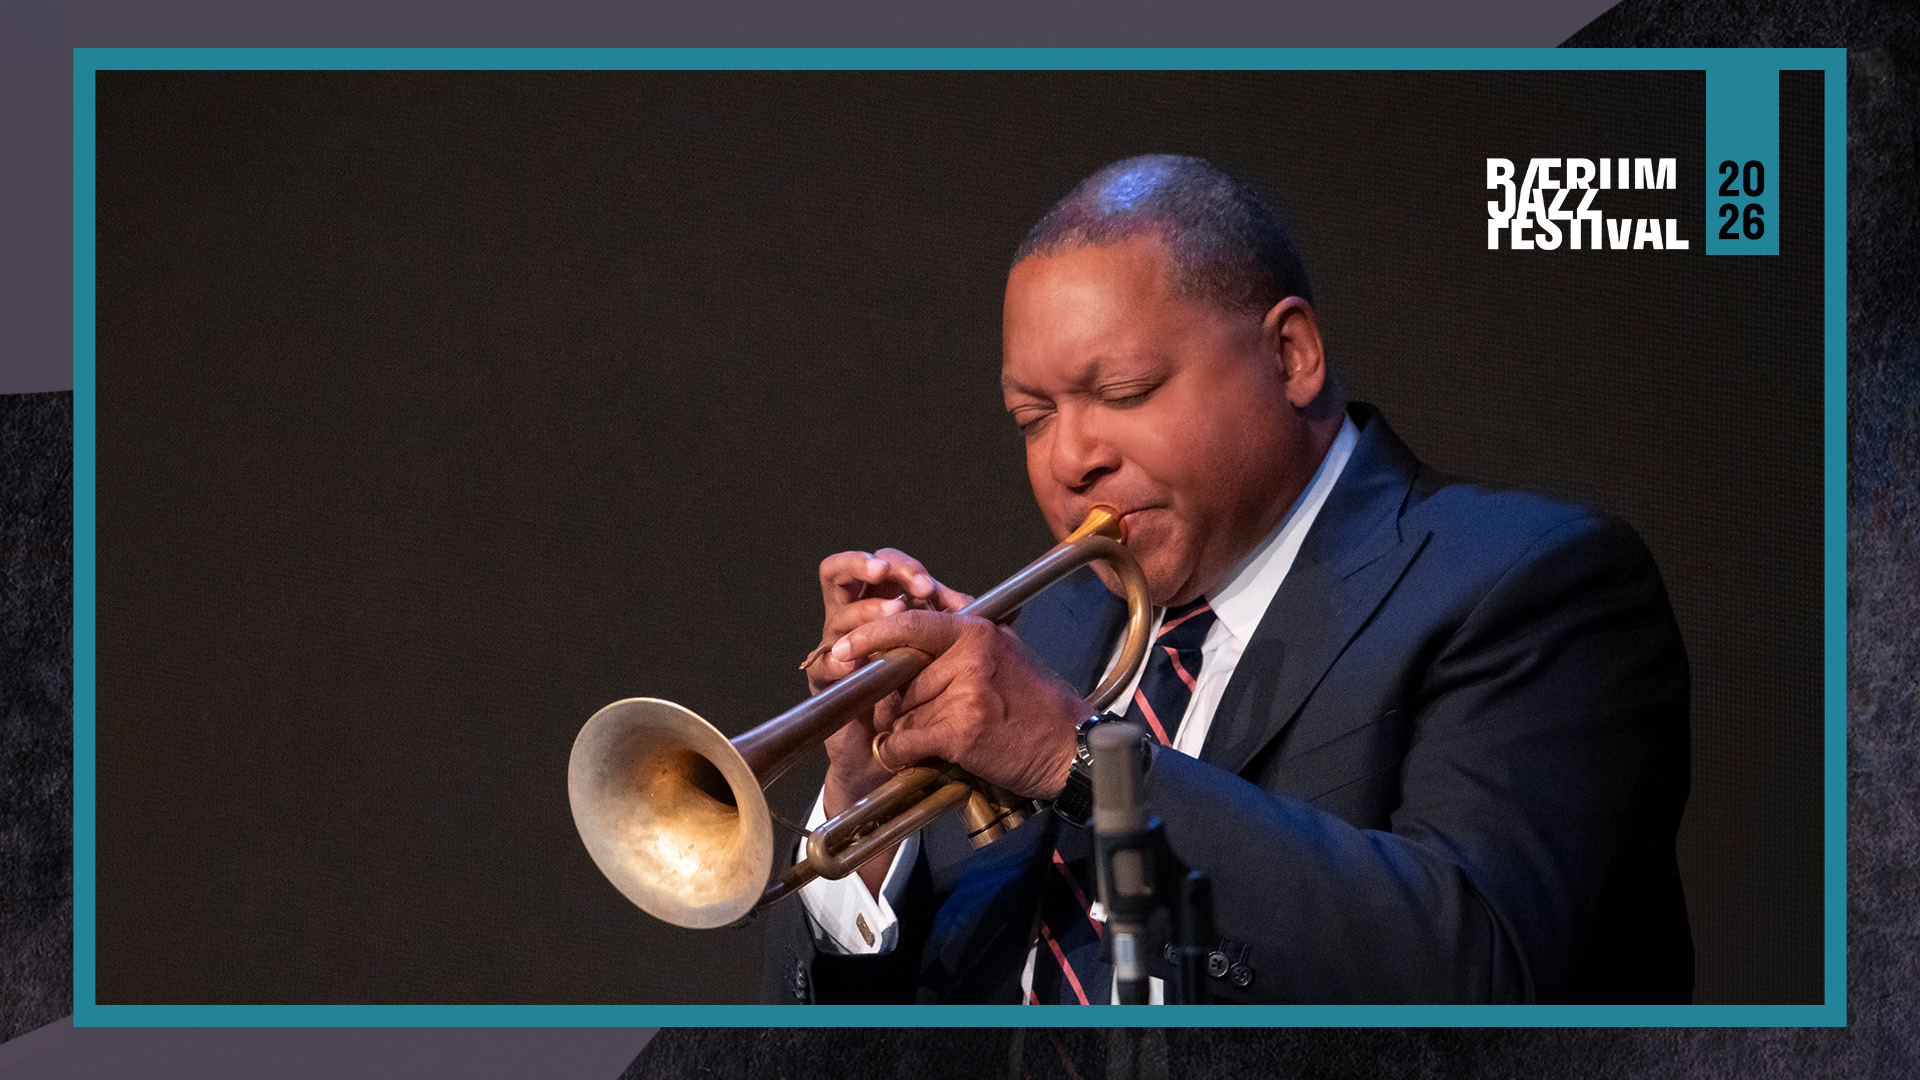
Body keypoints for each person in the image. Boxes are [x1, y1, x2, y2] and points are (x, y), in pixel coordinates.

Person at [760, 154, 1692, 1005]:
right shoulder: (1041, 642)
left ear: (1291, 355)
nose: (1072, 459)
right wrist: (865, 816)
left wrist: (1077, 759)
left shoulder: (1531, 582)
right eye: (1032, 418)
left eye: (1124, 393)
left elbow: (1484, 971)